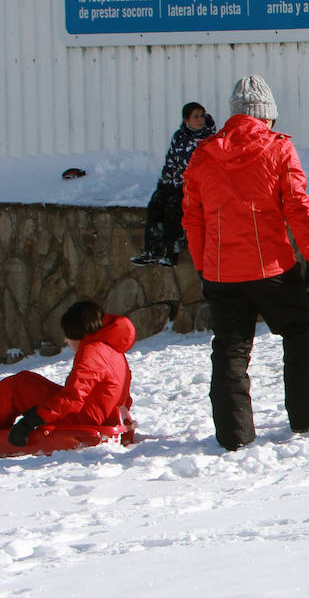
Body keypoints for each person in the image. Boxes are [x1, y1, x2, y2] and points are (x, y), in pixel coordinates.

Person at [182, 75, 309, 451]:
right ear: (266, 115)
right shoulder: (278, 148)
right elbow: (297, 206)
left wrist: (202, 266)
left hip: (221, 271)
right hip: (272, 269)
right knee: (298, 333)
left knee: (230, 348)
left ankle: (234, 434)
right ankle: (307, 412)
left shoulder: (203, 153)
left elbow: (192, 217)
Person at [4, 300, 135, 446]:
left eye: (67, 334)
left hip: (84, 420)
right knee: (27, 379)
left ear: (77, 332)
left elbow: (73, 398)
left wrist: (33, 419)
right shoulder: (112, 349)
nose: (65, 340)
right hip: (100, 415)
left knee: (16, 385)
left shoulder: (92, 351)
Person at [132, 102, 216, 267]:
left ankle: (172, 250)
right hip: (176, 183)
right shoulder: (179, 136)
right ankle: (152, 249)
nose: (200, 120)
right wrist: (164, 183)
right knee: (156, 203)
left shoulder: (210, 139)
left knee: (173, 206)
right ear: (186, 120)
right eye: (196, 116)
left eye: (202, 116)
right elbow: (170, 162)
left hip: (195, 186)